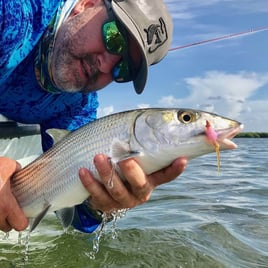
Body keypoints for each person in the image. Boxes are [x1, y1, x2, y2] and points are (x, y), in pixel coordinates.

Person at [0, 0, 187, 233]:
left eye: (124, 69)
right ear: (87, 4)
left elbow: (77, 218)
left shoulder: (79, 105)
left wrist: (101, 205)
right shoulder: (15, 13)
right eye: (114, 38)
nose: (106, 65)